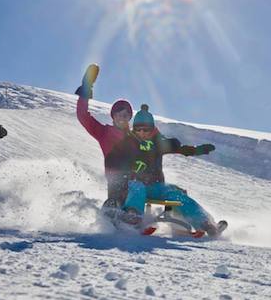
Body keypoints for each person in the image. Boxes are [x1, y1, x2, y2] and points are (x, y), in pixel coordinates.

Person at [111, 104, 227, 236]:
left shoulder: (158, 143)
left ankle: (206, 224)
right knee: (138, 187)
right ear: (134, 129)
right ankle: (132, 217)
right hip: (134, 185)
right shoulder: (128, 142)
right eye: (138, 129)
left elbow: (180, 149)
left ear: (152, 129)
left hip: (156, 186)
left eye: (146, 130)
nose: (142, 132)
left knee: (175, 194)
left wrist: (197, 149)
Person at [75, 79, 134, 207]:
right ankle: (111, 212)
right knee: (118, 194)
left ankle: (139, 217)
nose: (122, 118)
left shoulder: (135, 137)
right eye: (118, 115)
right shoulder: (104, 132)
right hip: (116, 179)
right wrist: (85, 92)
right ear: (113, 117)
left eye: (125, 116)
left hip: (135, 182)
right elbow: (83, 116)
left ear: (129, 118)